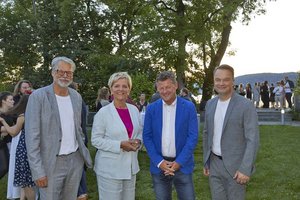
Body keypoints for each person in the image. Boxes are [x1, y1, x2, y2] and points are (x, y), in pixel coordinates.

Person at [25, 56, 92, 200]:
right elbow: (31, 137)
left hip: (75, 160)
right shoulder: (38, 97)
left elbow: (78, 129)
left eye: (69, 72)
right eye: (60, 71)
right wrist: (37, 171)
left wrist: (81, 155)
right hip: (50, 163)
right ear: (53, 73)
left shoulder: (76, 96)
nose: (65, 75)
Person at [203, 64, 259, 200]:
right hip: (214, 164)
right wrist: (206, 160)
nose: (221, 83)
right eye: (218, 80)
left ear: (233, 81)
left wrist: (245, 169)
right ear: (214, 81)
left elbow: (253, 139)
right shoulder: (210, 104)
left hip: (236, 167)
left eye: (226, 79)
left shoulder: (246, 105)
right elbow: (206, 133)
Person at [143, 71, 198, 200]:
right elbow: (147, 137)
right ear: (157, 88)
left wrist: (179, 162)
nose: (165, 91)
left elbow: (192, 137)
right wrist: (159, 162)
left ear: (176, 86)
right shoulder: (151, 109)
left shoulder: (189, 107)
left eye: (168, 87)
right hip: (159, 165)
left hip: (182, 164)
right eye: (161, 88)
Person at [91, 72, 142, 200]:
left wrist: (139, 142)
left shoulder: (134, 110)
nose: (121, 89)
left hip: (130, 168)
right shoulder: (103, 113)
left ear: (129, 89)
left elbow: (139, 131)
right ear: (111, 89)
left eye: (125, 86)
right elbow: (96, 140)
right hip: (109, 170)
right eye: (117, 86)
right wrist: (119, 145)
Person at [0, 95, 36, 200]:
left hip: (24, 149)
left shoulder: (22, 116)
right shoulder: (37, 114)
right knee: (30, 180)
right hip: (35, 147)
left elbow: (13, 132)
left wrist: (3, 122)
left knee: (26, 182)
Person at [0, 92, 20, 199]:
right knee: (4, 167)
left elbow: (7, 130)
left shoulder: (12, 113)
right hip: (2, 145)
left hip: (9, 143)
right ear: (3, 101)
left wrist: (7, 129)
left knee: (7, 167)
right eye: (10, 100)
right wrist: (12, 128)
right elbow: (3, 130)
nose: (13, 101)